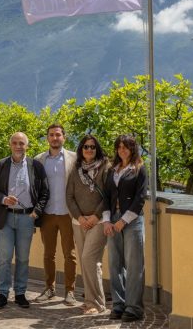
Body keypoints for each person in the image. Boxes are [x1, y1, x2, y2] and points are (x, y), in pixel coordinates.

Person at [0, 132, 49, 310]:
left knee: (22, 258)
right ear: (10, 145)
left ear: (27, 146)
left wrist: (37, 211)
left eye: (21, 143)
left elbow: (44, 192)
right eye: (15, 143)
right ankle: (3, 293)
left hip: (26, 218)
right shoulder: (1, 165)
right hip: (5, 217)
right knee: (5, 258)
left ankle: (20, 293)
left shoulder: (36, 166)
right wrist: (4, 199)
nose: (18, 146)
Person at [104, 134, 148, 322]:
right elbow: (106, 196)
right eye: (119, 146)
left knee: (134, 264)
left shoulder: (139, 169)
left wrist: (124, 220)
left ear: (132, 148)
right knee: (115, 264)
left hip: (132, 221)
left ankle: (134, 308)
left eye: (126, 146)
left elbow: (140, 199)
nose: (122, 150)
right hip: (112, 219)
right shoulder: (112, 170)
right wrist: (107, 220)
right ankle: (118, 304)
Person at [33, 124, 78, 305]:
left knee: (70, 255)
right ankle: (49, 288)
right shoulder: (39, 160)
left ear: (64, 138)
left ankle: (70, 291)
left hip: (68, 213)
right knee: (48, 254)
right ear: (47, 138)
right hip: (47, 214)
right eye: (51, 135)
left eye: (58, 135)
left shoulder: (74, 158)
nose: (54, 138)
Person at [66, 134, 110, 315]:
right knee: (86, 263)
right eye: (86, 147)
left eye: (92, 147)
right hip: (79, 222)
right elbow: (69, 196)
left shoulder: (105, 168)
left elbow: (108, 195)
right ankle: (89, 301)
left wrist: (95, 216)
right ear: (81, 149)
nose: (89, 150)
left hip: (98, 222)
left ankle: (97, 304)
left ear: (97, 149)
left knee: (89, 259)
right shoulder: (76, 169)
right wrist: (80, 217)